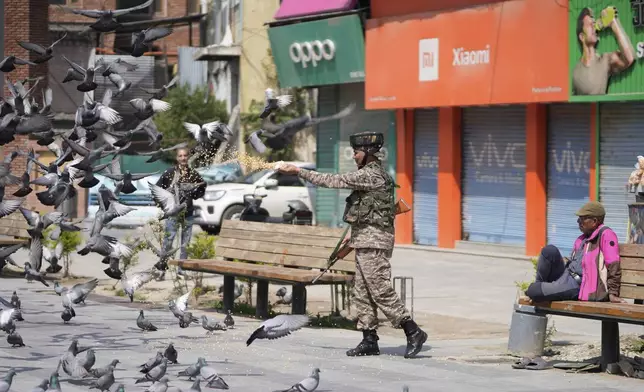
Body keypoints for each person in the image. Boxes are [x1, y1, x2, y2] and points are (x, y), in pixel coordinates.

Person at [276, 131, 427, 358]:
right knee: (362, 291)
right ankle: (369, 339)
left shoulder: (371, 175)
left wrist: (298, 171)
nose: (354, 156)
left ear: (367, 153)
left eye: (356, 152)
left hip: (375, 241)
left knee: (379, 289)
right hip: (365, 238)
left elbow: (333, 180)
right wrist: (353, 236)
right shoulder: (369, 174)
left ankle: (412, 330)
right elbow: (367, 211)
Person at [525, 201, 625, 303]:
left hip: (578, 285)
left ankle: (537, 291)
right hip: (566, 276)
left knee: (534, 290)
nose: (578, 221)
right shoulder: (582, 238)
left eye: (582, 219)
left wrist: (613, 293)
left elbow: (613, 265)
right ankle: (539, 289)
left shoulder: (606, 235)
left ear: (594, 221)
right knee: (549, 250)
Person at [156, 147, 206, 276]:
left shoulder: (193, 174)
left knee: (185, 243)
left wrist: (198, 190)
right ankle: (161, 268)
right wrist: (164, 207)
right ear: (176, 158)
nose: (183, 158)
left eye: (185, 155)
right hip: (173, 214)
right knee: (168, 242)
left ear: (188, 157)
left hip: (188, 214)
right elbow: (157, 190)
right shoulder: (169, 173)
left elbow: (200, 190)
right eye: (180, 156)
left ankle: (181, 269)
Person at [572, 6, 635, 96]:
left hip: (599, 109)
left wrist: (613, 23)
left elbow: (629, 58)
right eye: (590, 25)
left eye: (594, 23)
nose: (594, 27)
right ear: (582, 37)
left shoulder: (605, 61)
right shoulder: (575, 72)